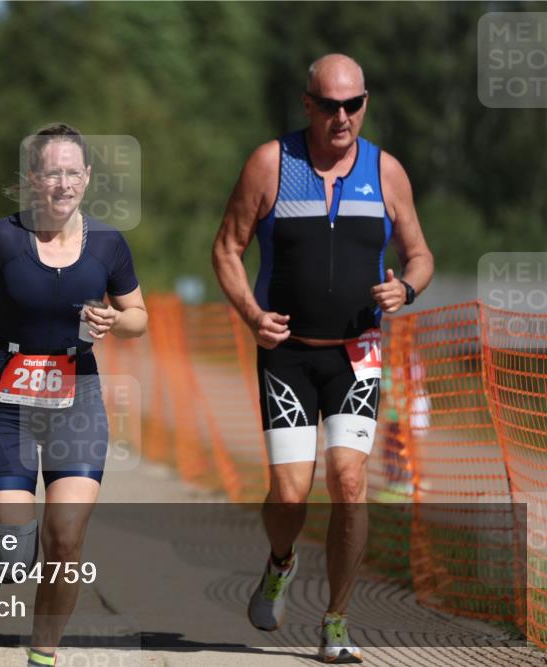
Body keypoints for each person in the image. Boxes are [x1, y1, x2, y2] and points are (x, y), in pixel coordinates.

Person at [212, 54, 434, 664]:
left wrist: (406, 289)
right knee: (290, 494)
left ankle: (336, 620)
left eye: (354, 104)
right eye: (330, 105)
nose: (343, 117)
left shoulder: (387, 171)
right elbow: (227, 249)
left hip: (357, 354)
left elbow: (420, 255)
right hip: (286, 355)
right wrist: (253, 317)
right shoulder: (270, 164)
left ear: (366, 103)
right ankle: (281, 561)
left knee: (350, 482)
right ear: (308, 105)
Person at [0, 123, 147, 666]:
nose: (63, 183)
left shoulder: (108, 243)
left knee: (66, 543)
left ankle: (42, 657)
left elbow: (138, 316)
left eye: (72, 172)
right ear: (33, 179)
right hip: (5, 398)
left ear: (88, 178)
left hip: (77, 397)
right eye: (52, 172)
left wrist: (115, 319)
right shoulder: (0, 238)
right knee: (12, 551)